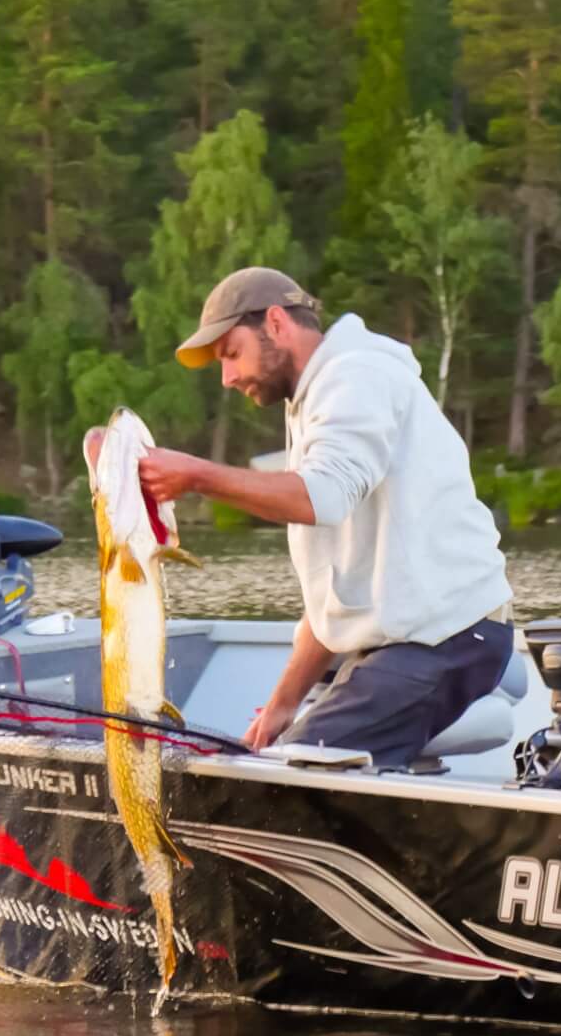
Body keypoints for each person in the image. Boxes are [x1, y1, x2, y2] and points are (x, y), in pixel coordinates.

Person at [136, 267, 514, 768]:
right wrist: (281, 706)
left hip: (449, 638)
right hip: (411, 640)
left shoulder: (356, 376)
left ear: (276, 323)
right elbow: (336, 596)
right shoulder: (318, 398)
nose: (227, 378)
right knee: (285, 755)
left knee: (293, 776)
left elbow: (324, 496)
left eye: (231, 353)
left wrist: (196, 475)